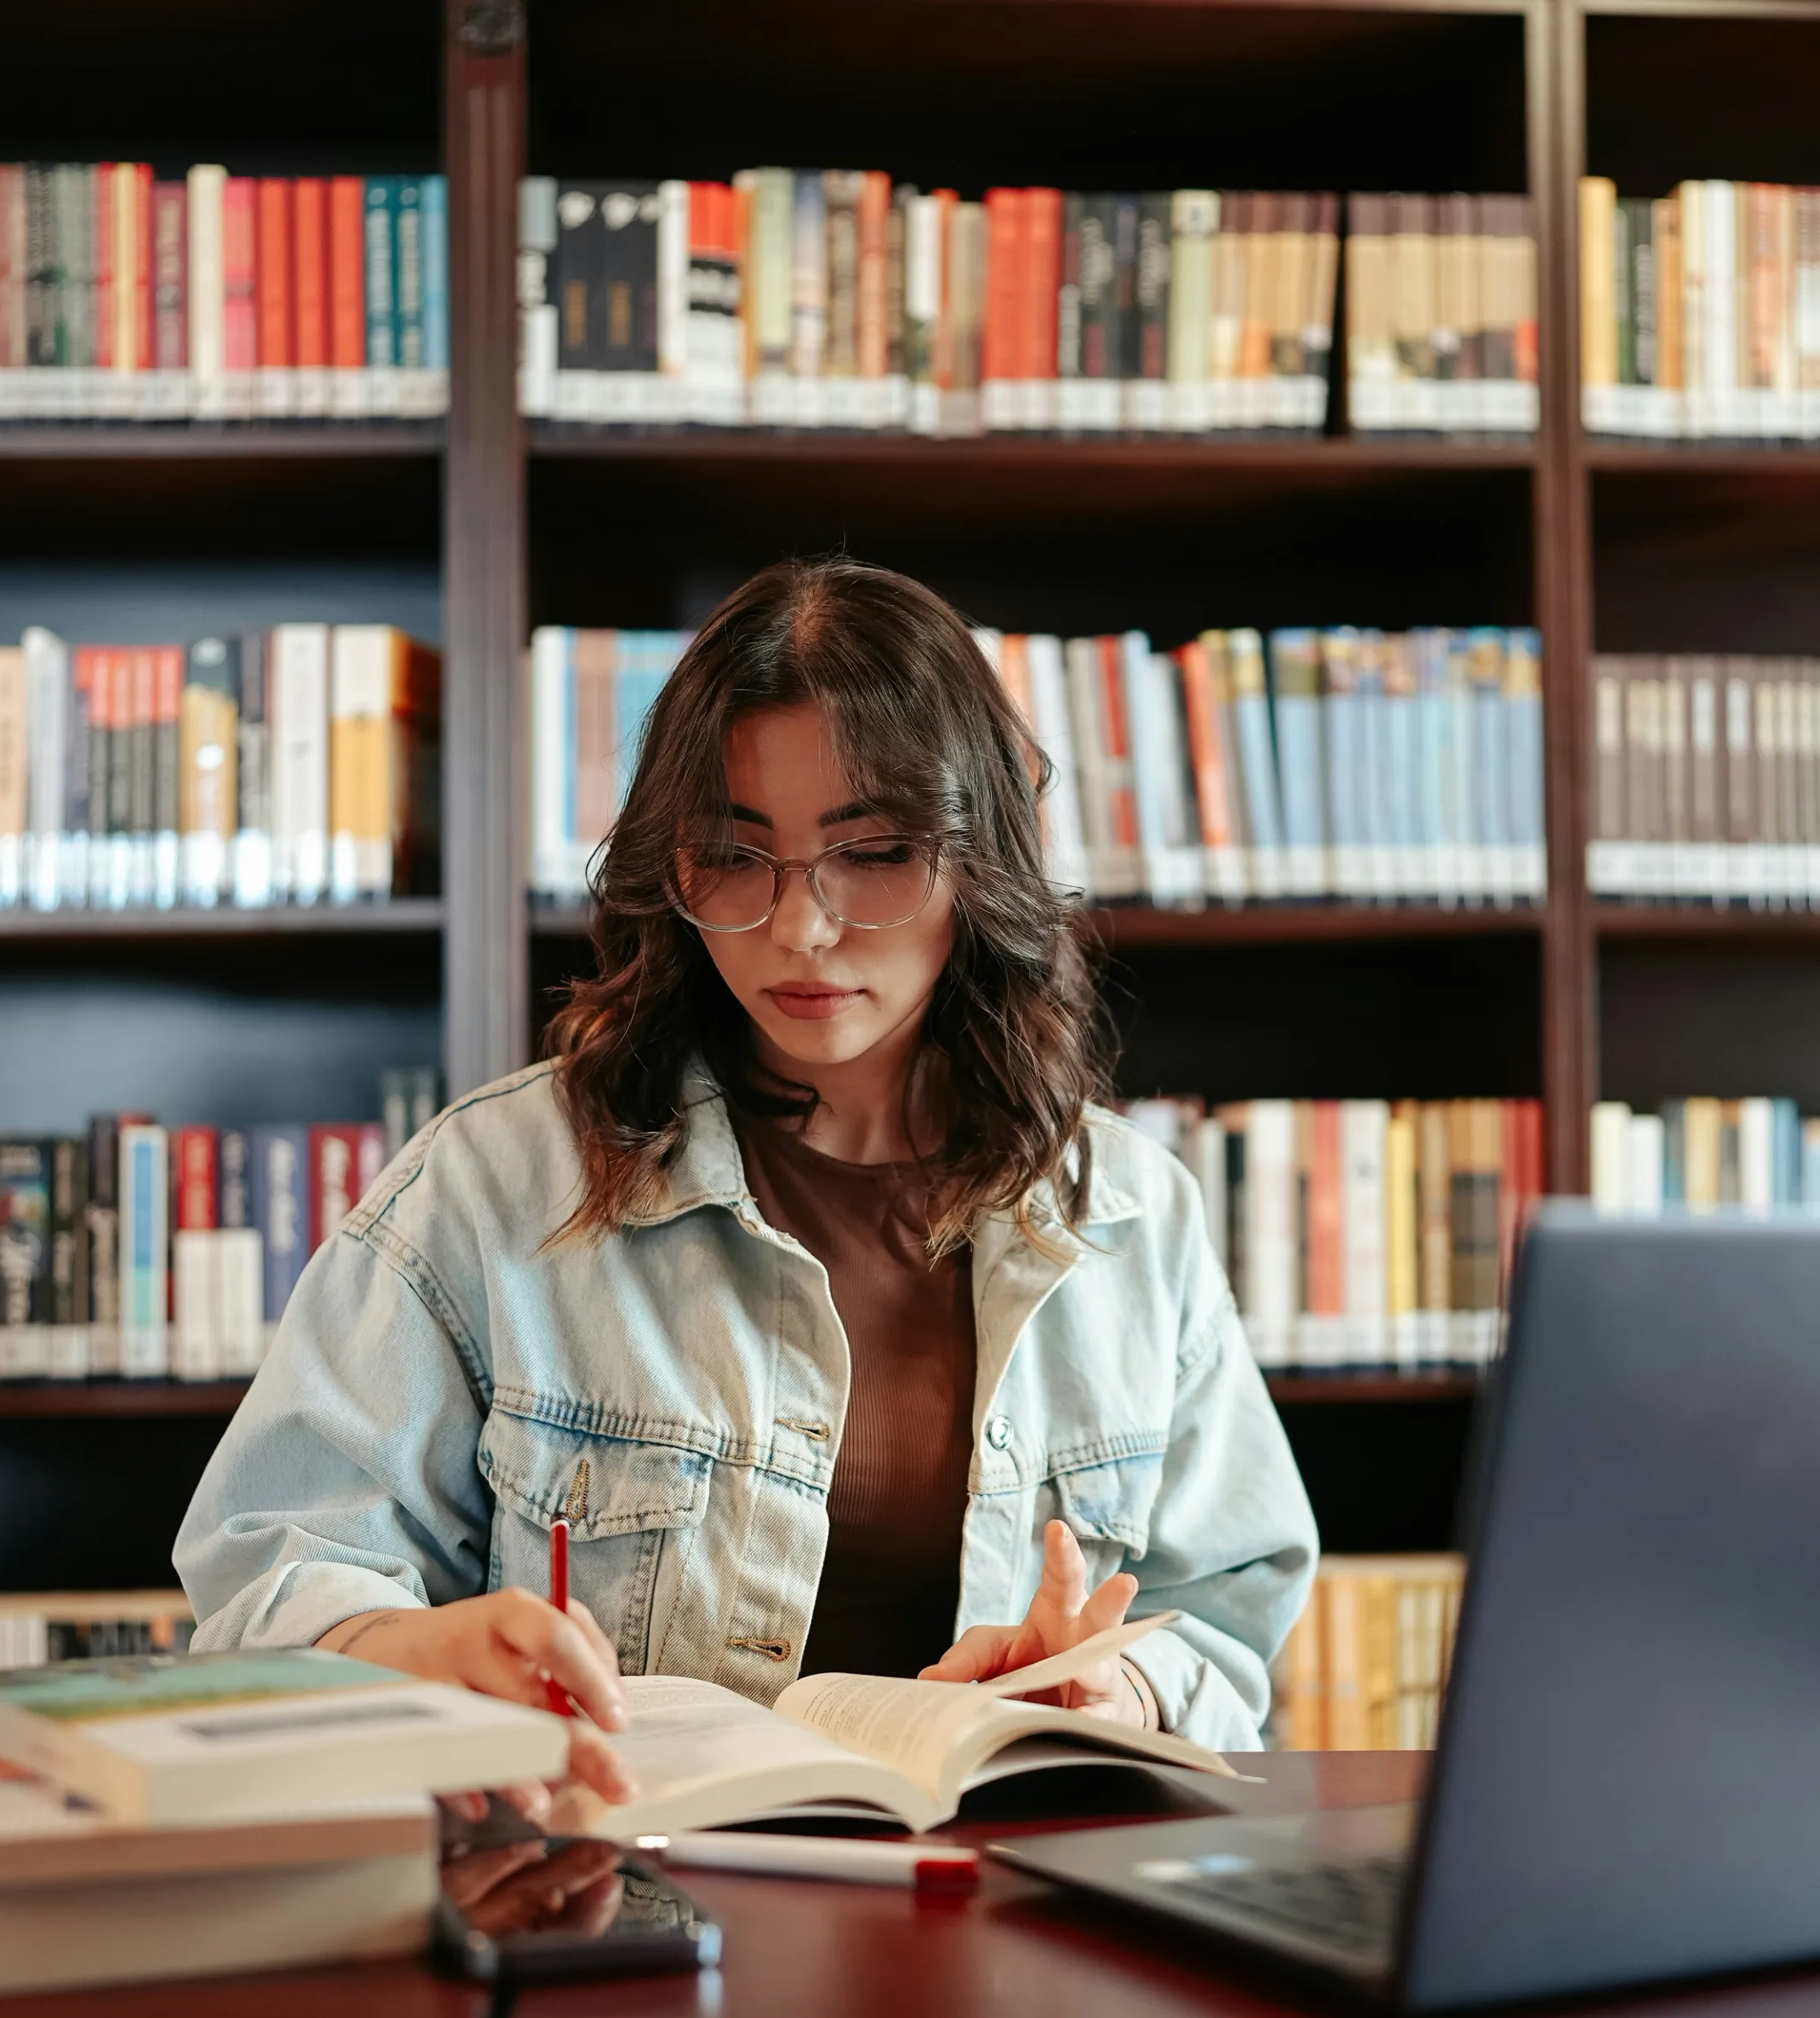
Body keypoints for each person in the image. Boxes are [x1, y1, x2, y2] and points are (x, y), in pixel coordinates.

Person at [174, 557, 1318, 1804]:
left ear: (980, 859)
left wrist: (1113, 1690)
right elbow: (268, 1569)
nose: (800, 929)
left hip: (1001, 1917)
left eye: (871, 853)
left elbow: (1226, 1608)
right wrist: (403, 1650)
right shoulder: (494, 1186)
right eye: (734, 855)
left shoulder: (1135, 1216)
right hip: (629, 1918)